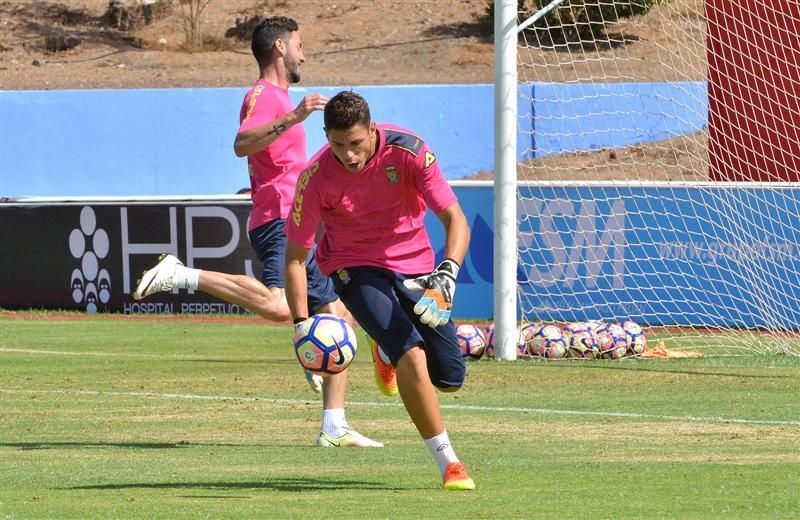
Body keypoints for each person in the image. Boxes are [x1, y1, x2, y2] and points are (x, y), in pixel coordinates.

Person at [133, 16, 381, 449]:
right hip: (279, 218)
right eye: (300, 45)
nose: (305, 53)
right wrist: (294, 116)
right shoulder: (264, 95)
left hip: (300, 218)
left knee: (339, 318)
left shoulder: (280, 97)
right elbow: (242, 143)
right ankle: (180, 274)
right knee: (278, 305)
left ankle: (334, 426)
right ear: (280, 48)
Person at [284, 90, 476, 491]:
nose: (348, 155)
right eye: (337, 145)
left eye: (355, 143)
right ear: (326, 138)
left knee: (450, 378)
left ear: (372, 130)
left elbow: (455, 219)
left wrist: (447, 273)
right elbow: (295, 260)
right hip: (352, 267)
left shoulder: (410, 152)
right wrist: (301, 326)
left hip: (418, 266)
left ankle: (384, 350)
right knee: (412, 354)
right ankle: (449, 463)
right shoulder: (314, 178)